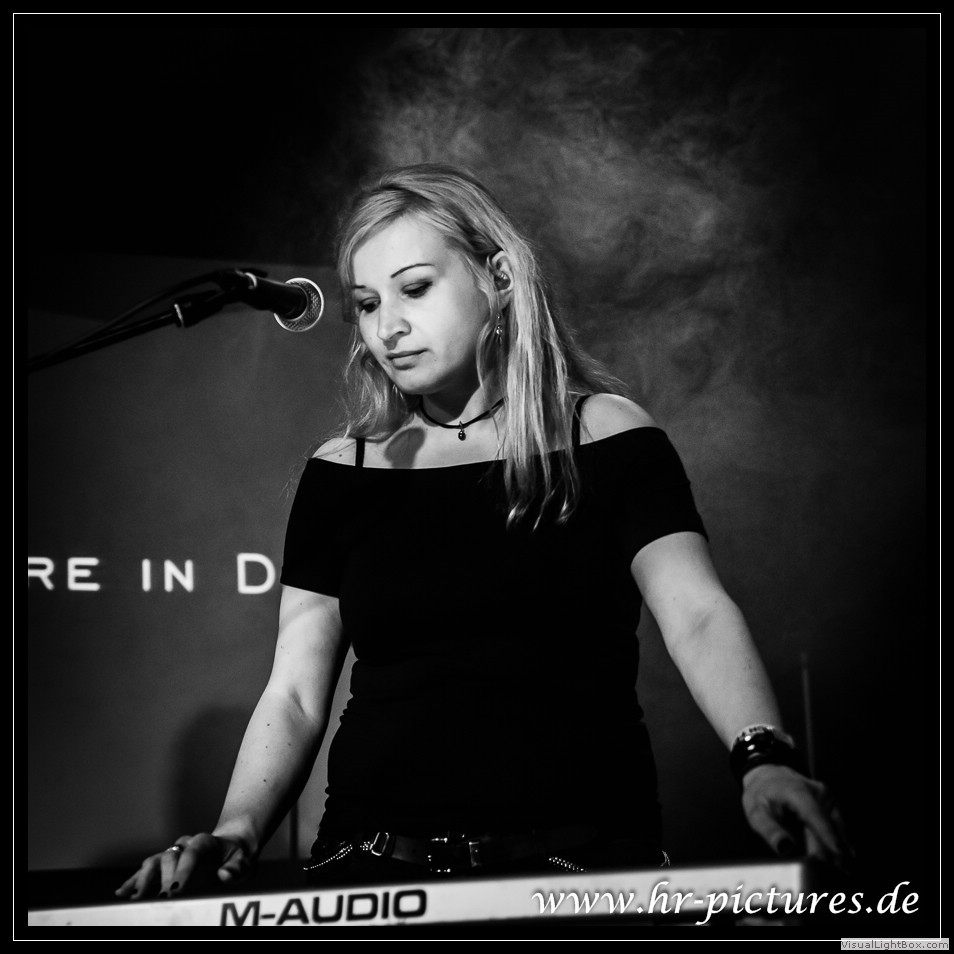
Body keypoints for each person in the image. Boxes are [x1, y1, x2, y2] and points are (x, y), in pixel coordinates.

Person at [116, 162, 849, 901]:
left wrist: (763, 759)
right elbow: (296, 694)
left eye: (415, 288)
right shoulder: (343, 470)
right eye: (367, 304)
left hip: (581, 868)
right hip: (372, 868)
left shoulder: (605, 435)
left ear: (498, 278)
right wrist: (236, 831)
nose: (387, 327)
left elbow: (696, 614)